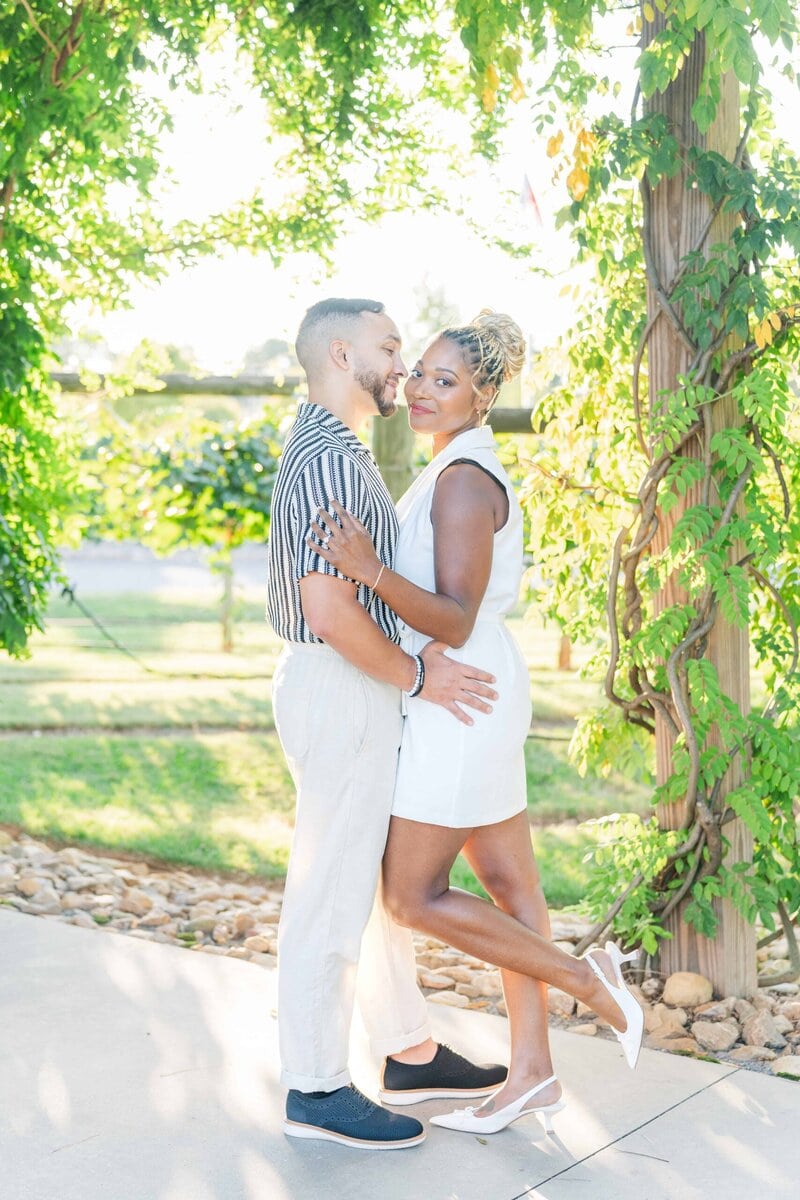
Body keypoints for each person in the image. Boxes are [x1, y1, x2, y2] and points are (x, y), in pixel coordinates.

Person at [311, 311, 644, 1137]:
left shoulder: (463, 479)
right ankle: (530, 1073)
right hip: (474, 694)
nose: (422, 389)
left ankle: (587, 977)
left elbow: (453, 618)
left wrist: (367, 569)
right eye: (420, 371)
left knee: (411, 895)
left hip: (457, 698)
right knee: (511, 886)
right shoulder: (453, 466)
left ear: (484, 395)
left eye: (445, 380)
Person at [266, 297, 510, 1151]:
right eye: (389, 346)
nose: (402, 364)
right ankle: (316, 1087)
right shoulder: (331, 461)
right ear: (341, 353)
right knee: (330, 890)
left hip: (349, 687)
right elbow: (330, 606)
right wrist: (415, 674)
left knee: (359, 882)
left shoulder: (336, 449)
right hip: (342, 685)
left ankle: (405, 1047)